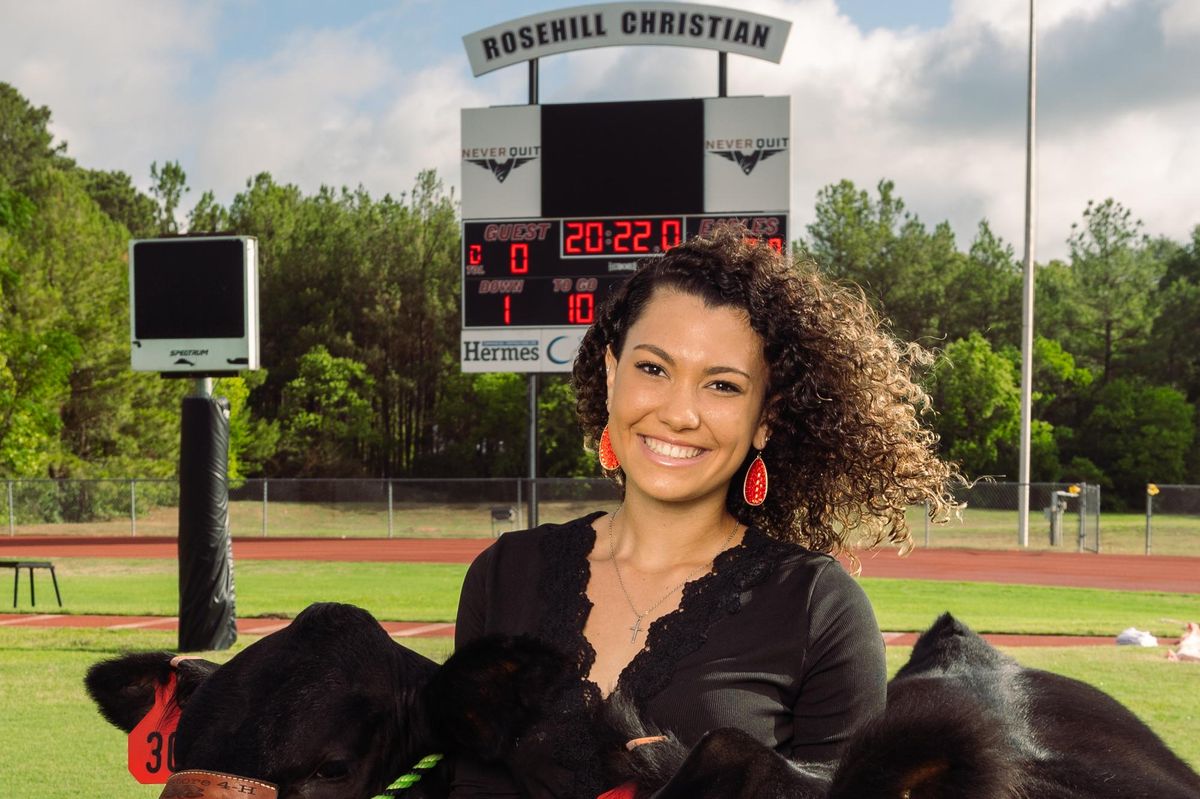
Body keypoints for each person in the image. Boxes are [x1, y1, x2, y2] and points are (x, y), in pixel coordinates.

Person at [450, 225, 958, 798]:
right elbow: (469, 782)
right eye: (653, 369)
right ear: (612, 374)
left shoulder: (820, 608)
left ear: (766, 418)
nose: (680, 414)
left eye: (721, 385)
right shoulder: (503, 574)